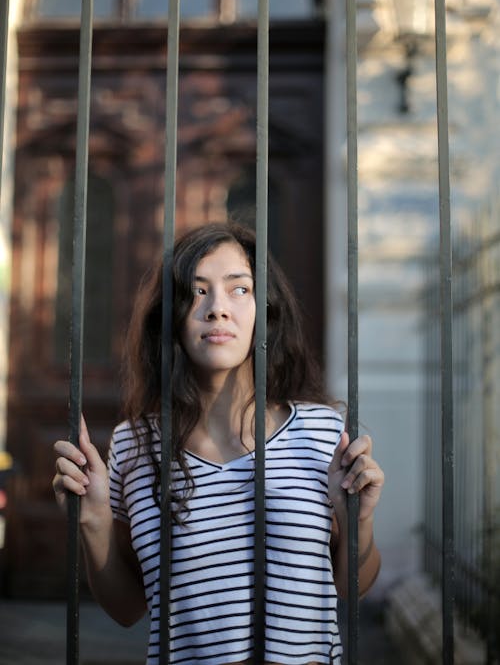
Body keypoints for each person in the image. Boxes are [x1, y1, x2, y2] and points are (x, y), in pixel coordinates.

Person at [53, 221, 384, 665]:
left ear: (265, 309)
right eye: (196, 291)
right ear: (169, 315)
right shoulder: (135, 445)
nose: (217, 309)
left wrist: (358, 519)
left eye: (238, 289)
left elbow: (350, 587)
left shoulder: (321, 433)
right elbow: (128, 609)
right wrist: (92, 521)